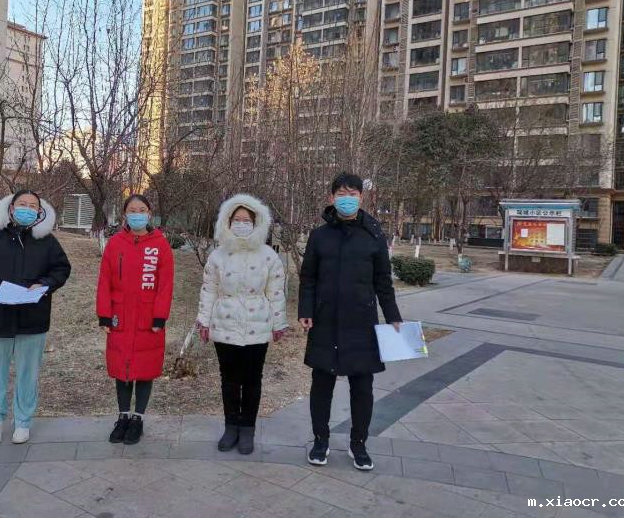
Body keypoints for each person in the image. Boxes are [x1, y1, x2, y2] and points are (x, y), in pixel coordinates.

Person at [298, 173, 403, 471]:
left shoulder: (374, 234)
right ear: (331, 198)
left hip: (362, 322)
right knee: (321, 385)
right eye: (341, 194)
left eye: (353, 193)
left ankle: (359, 444)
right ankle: (320, 441)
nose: (347, 199)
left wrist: (393, 315)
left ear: (361, 198)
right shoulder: (319, 236)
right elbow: (308, 278)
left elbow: (382, 280)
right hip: (325, 321)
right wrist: (306, 309)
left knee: (362, 388)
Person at [0, 190, 71, 446]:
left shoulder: (47, 241)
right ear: (11, 209)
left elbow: (61, 269)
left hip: (33, 318)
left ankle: (23, 421)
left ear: (40, 212)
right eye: (22, 204)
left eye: (33, 206)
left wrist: (44, 284)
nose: (27, 209)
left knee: (28, 374)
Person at [196, 194, 288, 455]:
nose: (242, 224)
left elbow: (276, 292)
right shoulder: (218, 256)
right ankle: (231, 427)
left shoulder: (268, 256)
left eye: (247, 220)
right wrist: (203, 320)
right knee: (229, 379)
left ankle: (247, 428)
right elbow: (209, 289)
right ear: (227, 222)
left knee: (252, 379)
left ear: (256, 223)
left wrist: (279, 323)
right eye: (237, 219)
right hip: (224, 323)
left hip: (258, 326)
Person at [96, 194, 174, 445]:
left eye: (142, 210)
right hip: (119, 318)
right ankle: (123, 417)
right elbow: (104, 281)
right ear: (125, 215)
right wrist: (104, 315)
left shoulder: (160, 245)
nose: (137, 214)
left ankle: (138, 418)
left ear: (149, 214)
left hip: (148, 320)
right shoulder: (115, 243)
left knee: (144, 369)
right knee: (122, 369)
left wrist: (160, 317)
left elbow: (165, 285)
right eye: (132, 210)